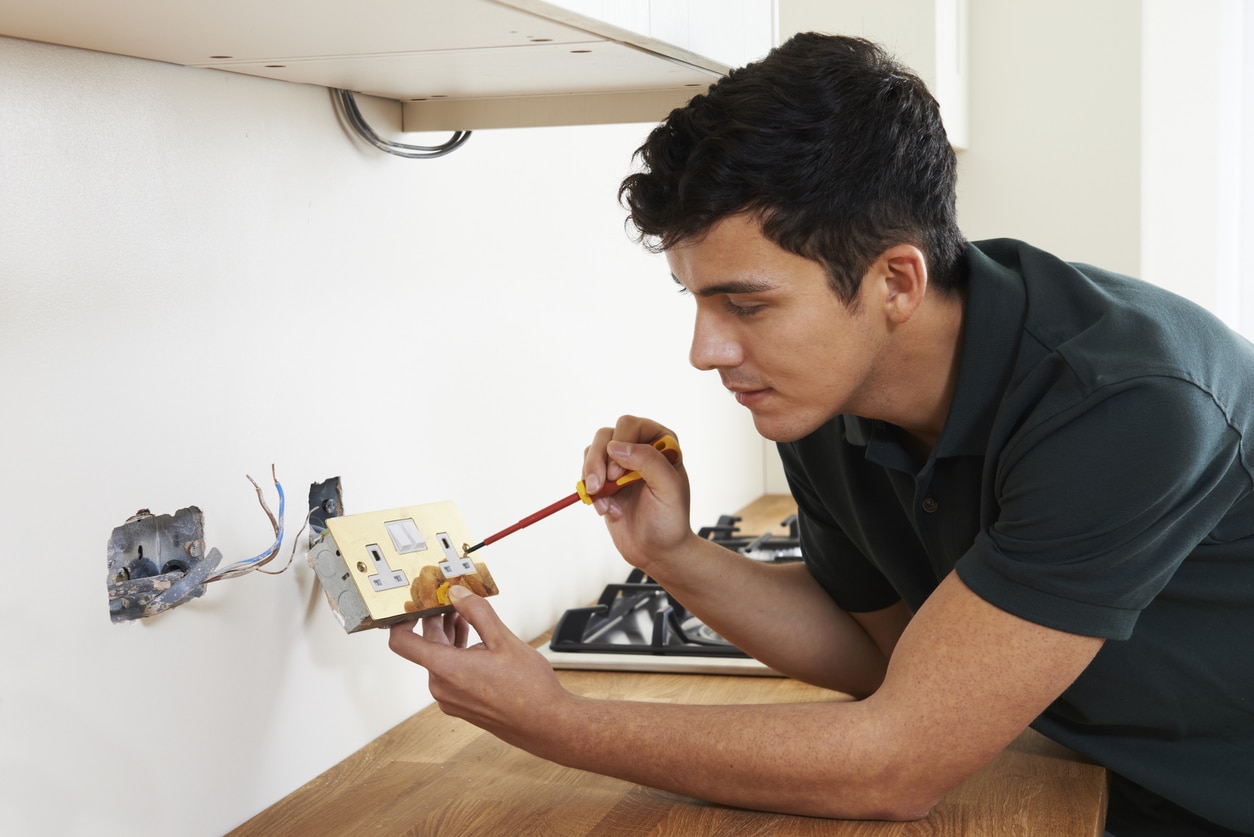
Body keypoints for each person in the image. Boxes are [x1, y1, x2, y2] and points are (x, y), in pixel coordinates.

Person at [389, 32, 1254, 836]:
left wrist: (556, 720)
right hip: (1112, 775)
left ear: (896, 282)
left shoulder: (1123, 402)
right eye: (697, 299)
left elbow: (897, 763)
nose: (705, 351)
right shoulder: (830, 394)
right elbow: (883, 651)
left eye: (746, 303)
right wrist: (672, 554)